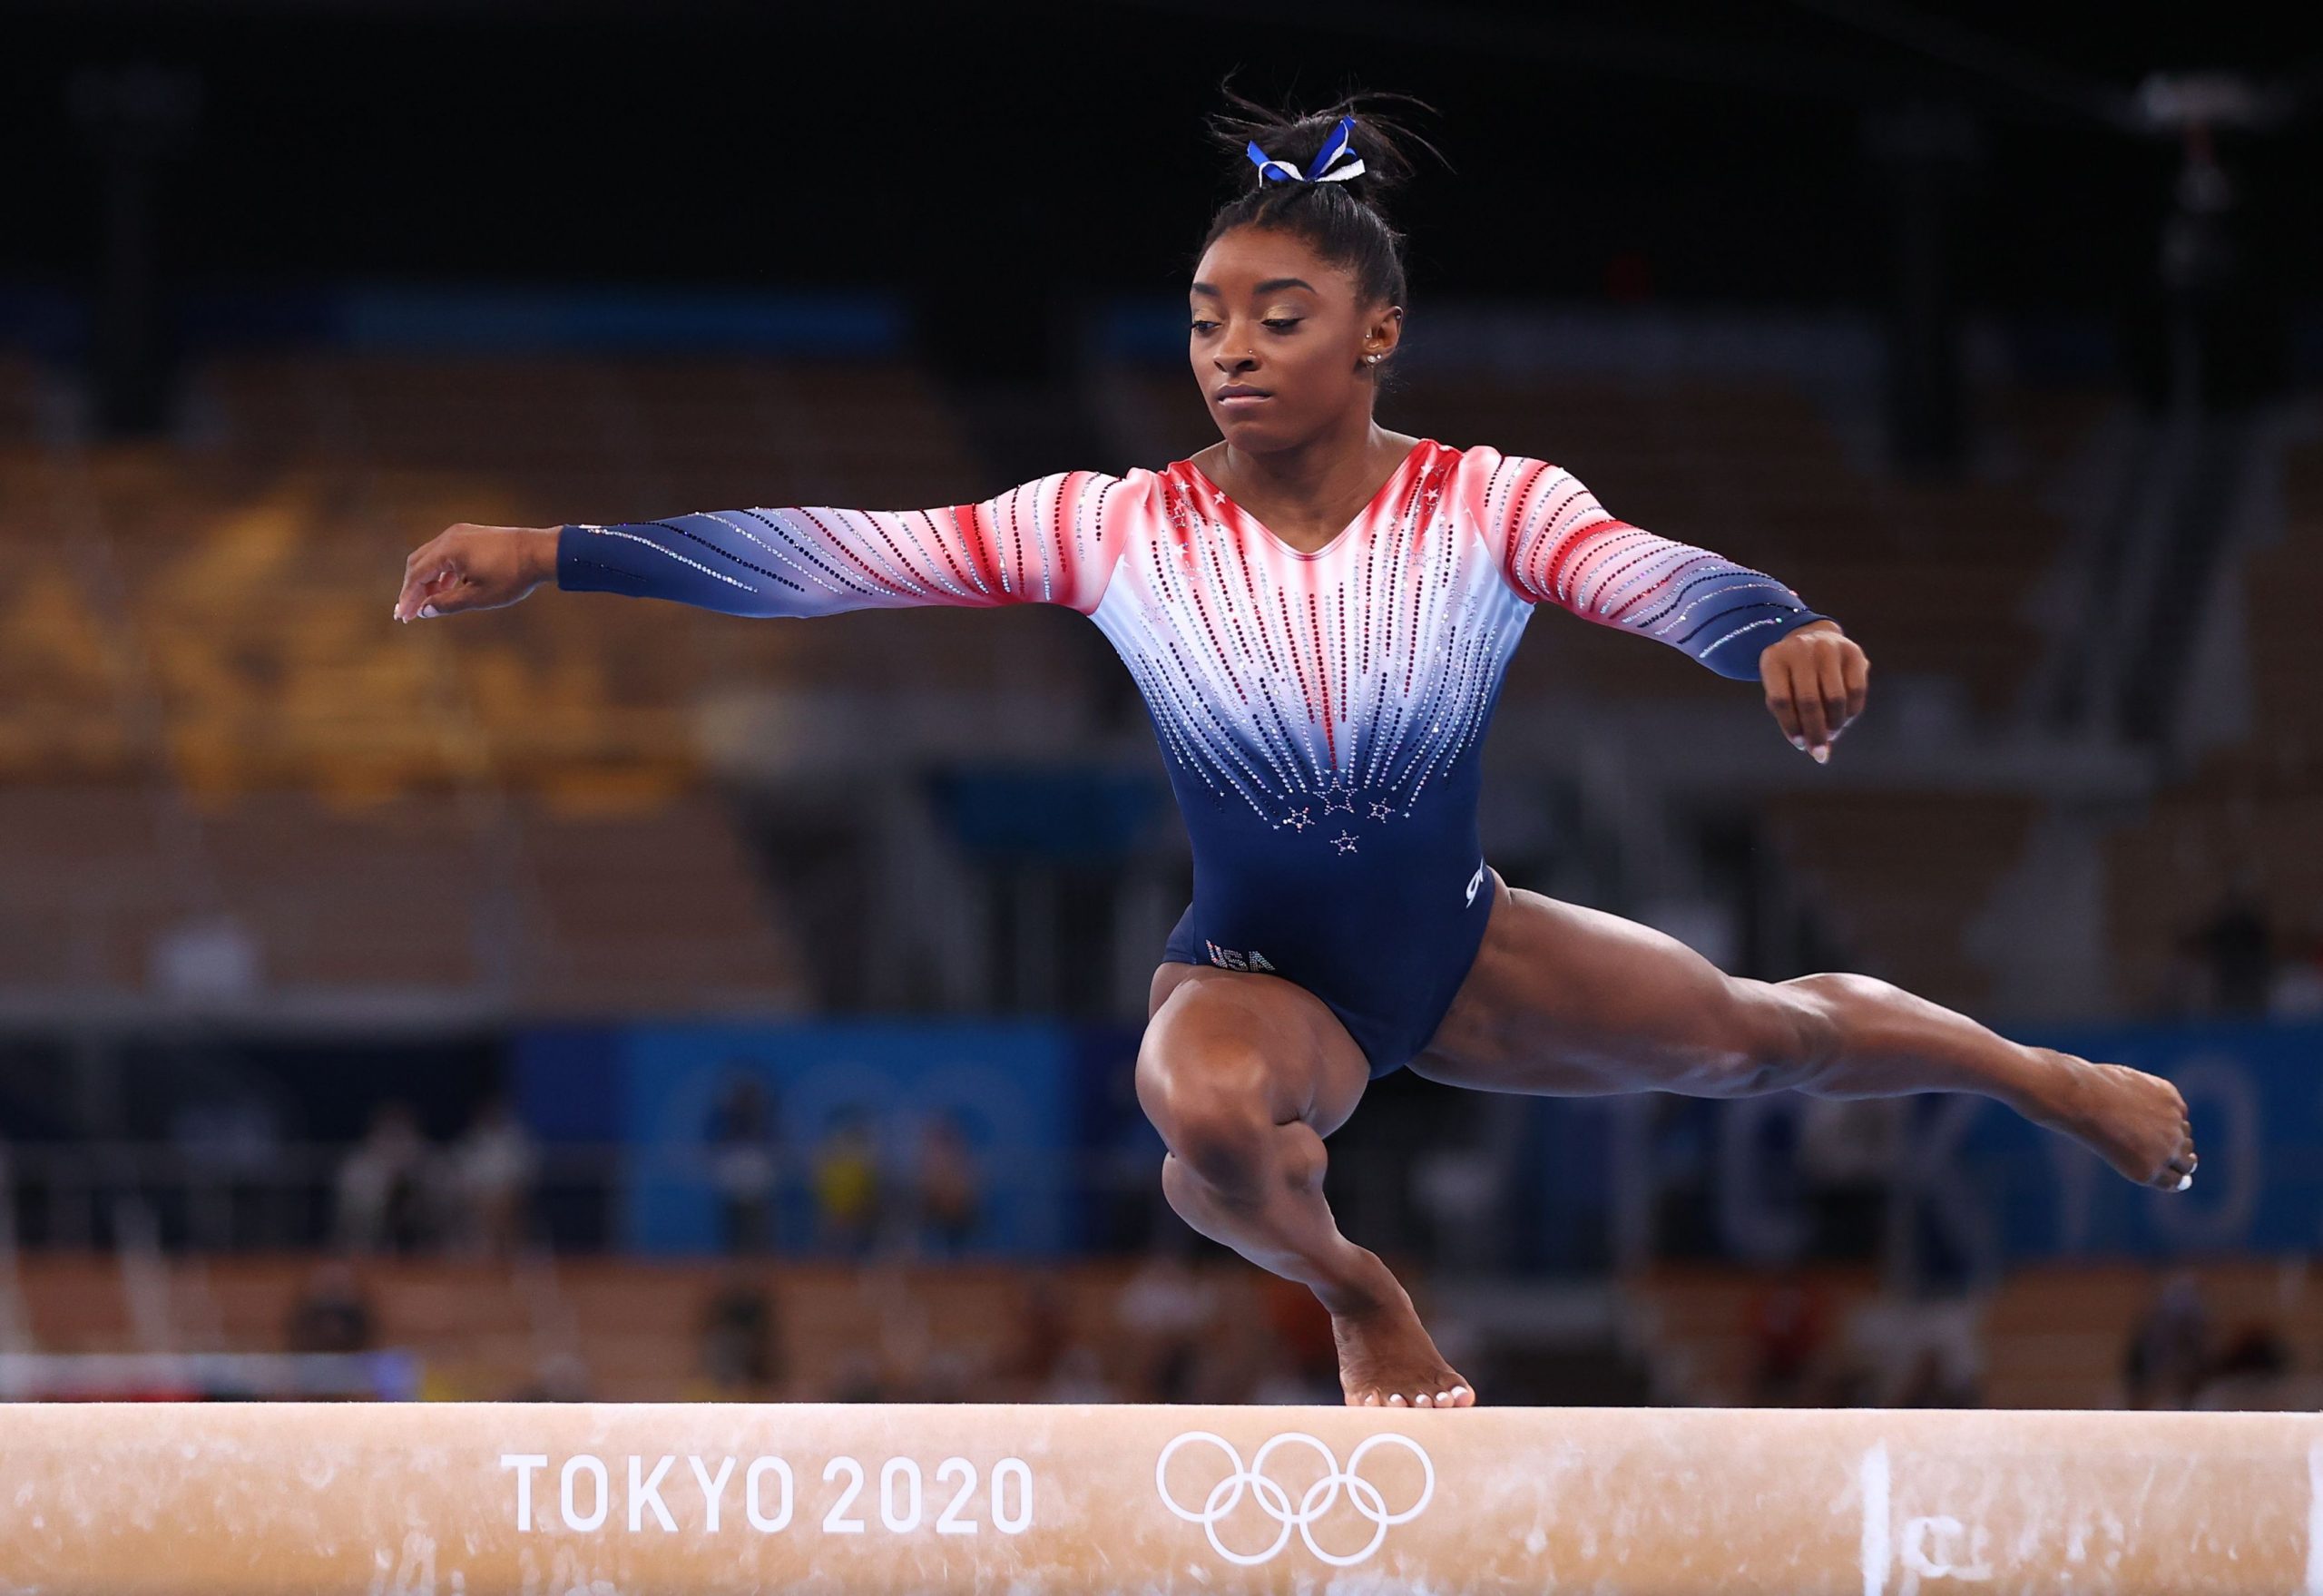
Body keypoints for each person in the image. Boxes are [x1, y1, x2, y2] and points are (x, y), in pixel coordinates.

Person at [391, 91, 2200, 1407]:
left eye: (1276, 317)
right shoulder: (1112, 525)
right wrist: (559, 554)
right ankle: (1354, 1292)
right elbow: (834, 557)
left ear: (1374, 334)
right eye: (1201, 322)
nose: (1230, 354)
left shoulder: (1487, 505)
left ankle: (2036, 1075)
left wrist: (1773, 625)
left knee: (1760, 1038)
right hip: (1264, 977)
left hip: (1463, 944)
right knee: (1199, 1122)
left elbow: (1649, 578)